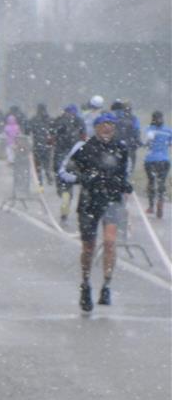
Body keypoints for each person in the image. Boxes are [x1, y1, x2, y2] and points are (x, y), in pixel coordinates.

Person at [59, 113, 135, 311]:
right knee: (88, 247)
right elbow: (64, 172)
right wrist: (82, 178)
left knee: (109, 242)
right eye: (103, 125)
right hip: (89, 201)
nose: (107, 128)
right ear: (96, 127)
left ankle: (107, 285)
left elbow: (127, 173)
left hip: (112, 200)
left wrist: (125, 185)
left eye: (111, 125)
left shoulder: (121, 148)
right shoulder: (83, 147)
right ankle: (85, 284)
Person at [143, 111, 170, 219]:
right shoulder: (169, 130)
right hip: (164, 160)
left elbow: (146, 143)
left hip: (151, 160)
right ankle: (160, 201)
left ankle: (151, 206)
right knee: (161, 182)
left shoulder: (149, 129)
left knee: (151, 182)